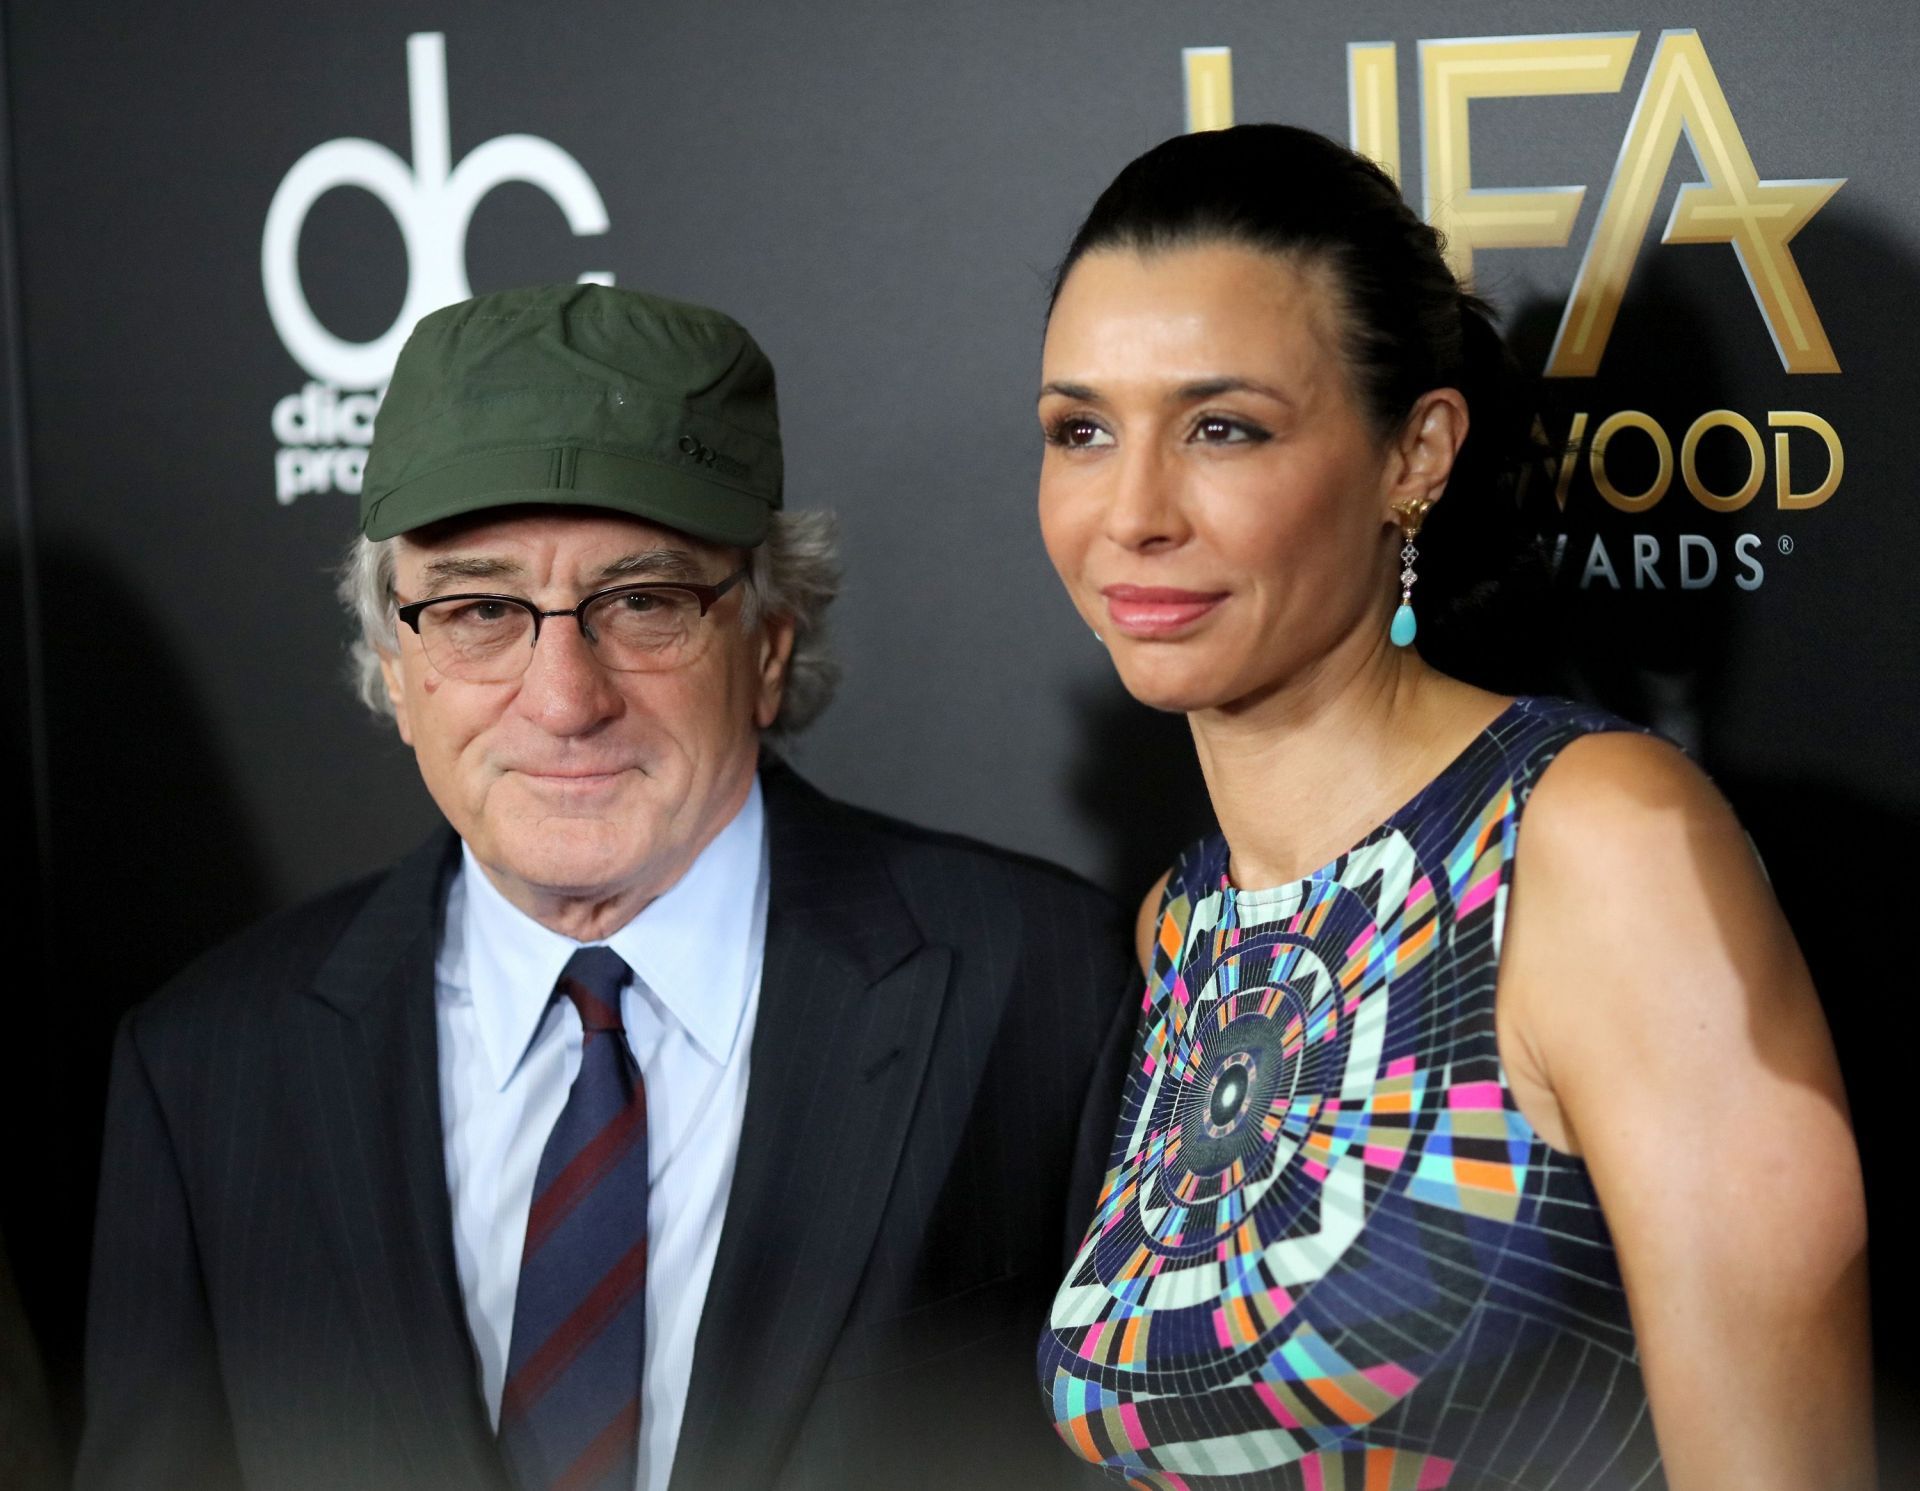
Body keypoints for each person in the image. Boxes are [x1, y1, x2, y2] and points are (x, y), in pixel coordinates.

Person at [78, 282, 1135, 1491]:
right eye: (480, 611)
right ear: (396, 665)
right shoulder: (207, 1071)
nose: (565, 698)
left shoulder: (1044, 991)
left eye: (643, 603)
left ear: (769, 645)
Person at [1032, 125, 1870, 1489]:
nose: (1132, 512)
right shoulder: (1183, 926)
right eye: (1082, 431)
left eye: (1222, 428)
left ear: (1414, 454)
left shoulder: (1593, 842)